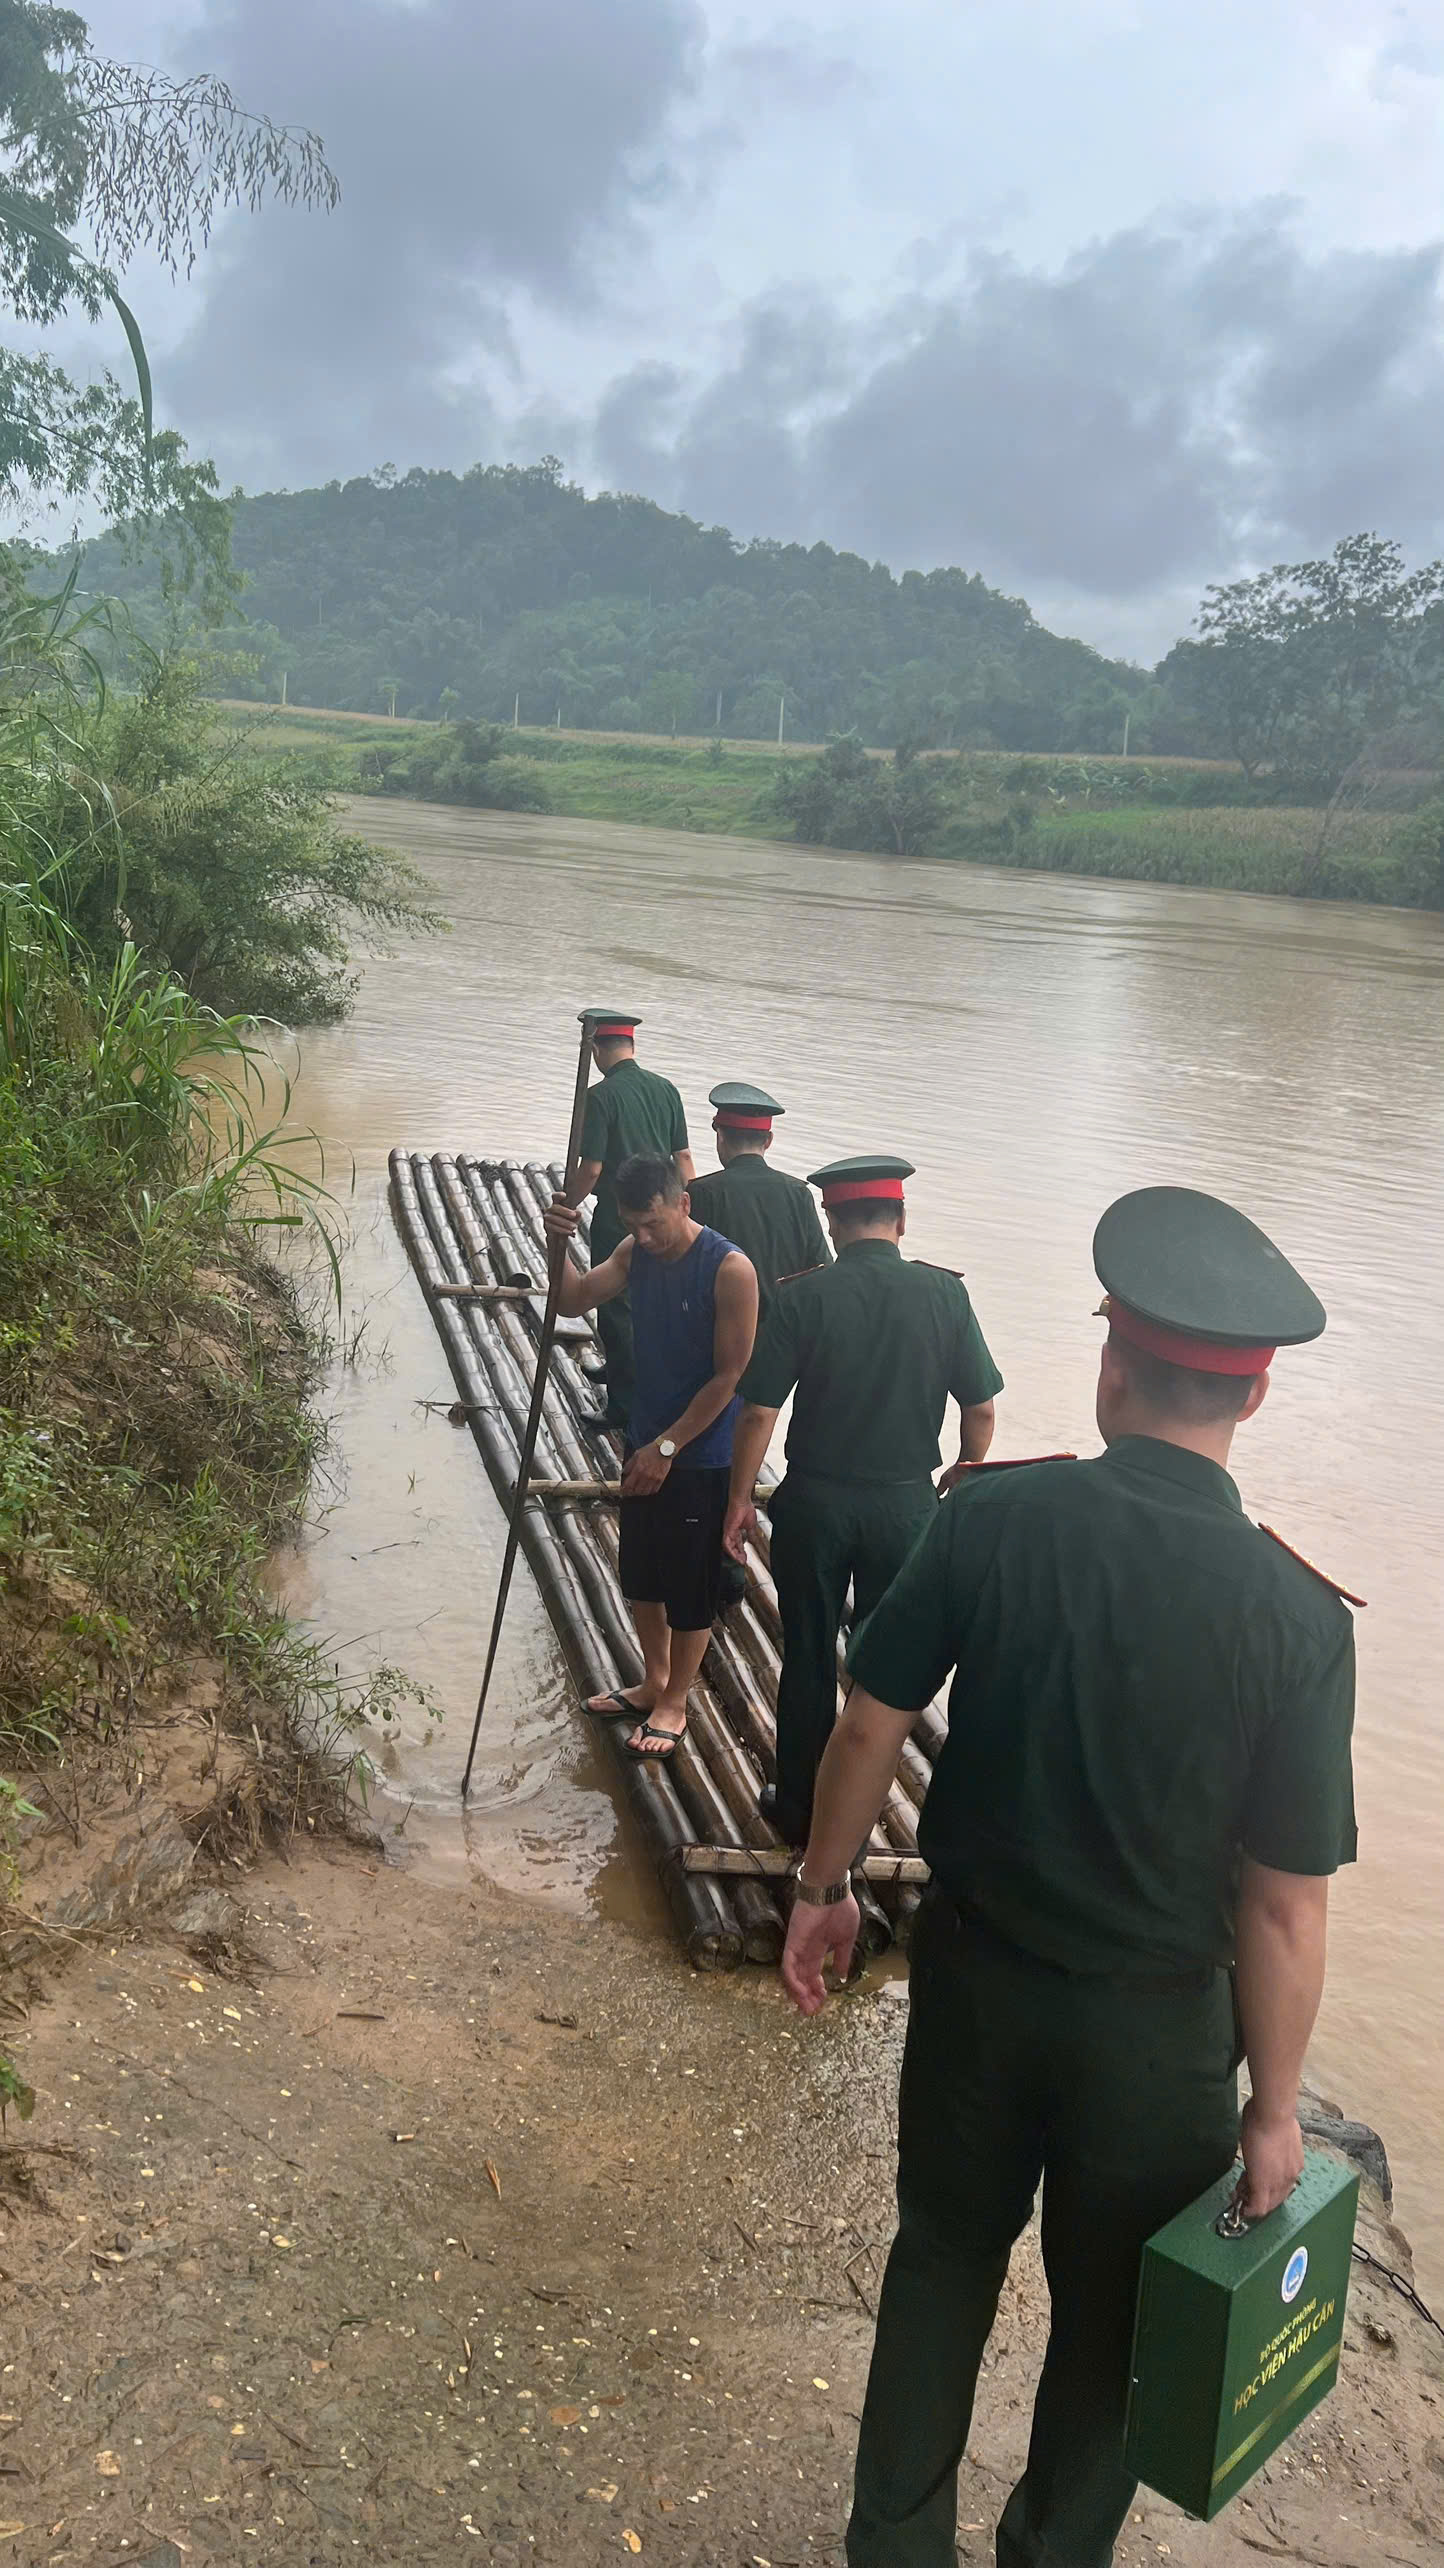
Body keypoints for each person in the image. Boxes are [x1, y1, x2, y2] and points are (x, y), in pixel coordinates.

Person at [780, 1183, 1360, 2568]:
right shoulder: (1297, 1619)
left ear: (1112, 1365)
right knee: (1111, 2325)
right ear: (1255, 1400)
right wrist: (1275, 2109)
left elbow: (869, 1720)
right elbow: (1285, 1902)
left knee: (941, 2268)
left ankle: (898, 2545)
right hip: (1160, 2044)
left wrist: (821, 1889)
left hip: (980, 1989)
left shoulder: (991, 1521)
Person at [724, 1154, 1001, 1846]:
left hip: (815, 1505)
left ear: (831, 1219)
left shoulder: (801, 1296)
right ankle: (861, 1811)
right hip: (906, 1511)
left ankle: (797, 1809)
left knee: (810, 1657)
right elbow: (982, 1407)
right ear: (900, 1221)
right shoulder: (945, 1296)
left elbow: (759, 1411)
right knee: (886, 1668)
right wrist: (965, 1473)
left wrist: (737, 1501)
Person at [545, 1152, 757, 1761]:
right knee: (640, 1573)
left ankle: (677, 1701)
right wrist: (555, 1245)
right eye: (633, 1224)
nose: (644, 1236)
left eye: (654, 1223)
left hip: (701, 1450)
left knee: (691, 1582)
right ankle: (653, 1680)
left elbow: (730, 1375)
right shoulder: (636, 1254)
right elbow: (572, 1301)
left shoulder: (728, 1270)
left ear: (683, 1203)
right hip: (645, 1437)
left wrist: (669, 1447)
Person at [570, 1012, 693, 1431]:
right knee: (655, 1302)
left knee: (617, 1308)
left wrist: (566, 1207)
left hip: (621, 1215)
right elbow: (684, 1160)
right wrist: (689, 1215)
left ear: (597, 1050)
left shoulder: (601, 1096)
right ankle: (621, 1369)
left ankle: (622, 1405)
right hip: (666, 1214)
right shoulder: (666, 1089)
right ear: (632, 1046)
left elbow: (591, 1169)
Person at [688, 1082, 830, 1325]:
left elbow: (687, 1271)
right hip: (784, 1331)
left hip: (722, 1329)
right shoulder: (798, 1193)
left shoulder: (701, 1193)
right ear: (768, 1140)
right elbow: (821, 1266)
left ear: (720, 1136)